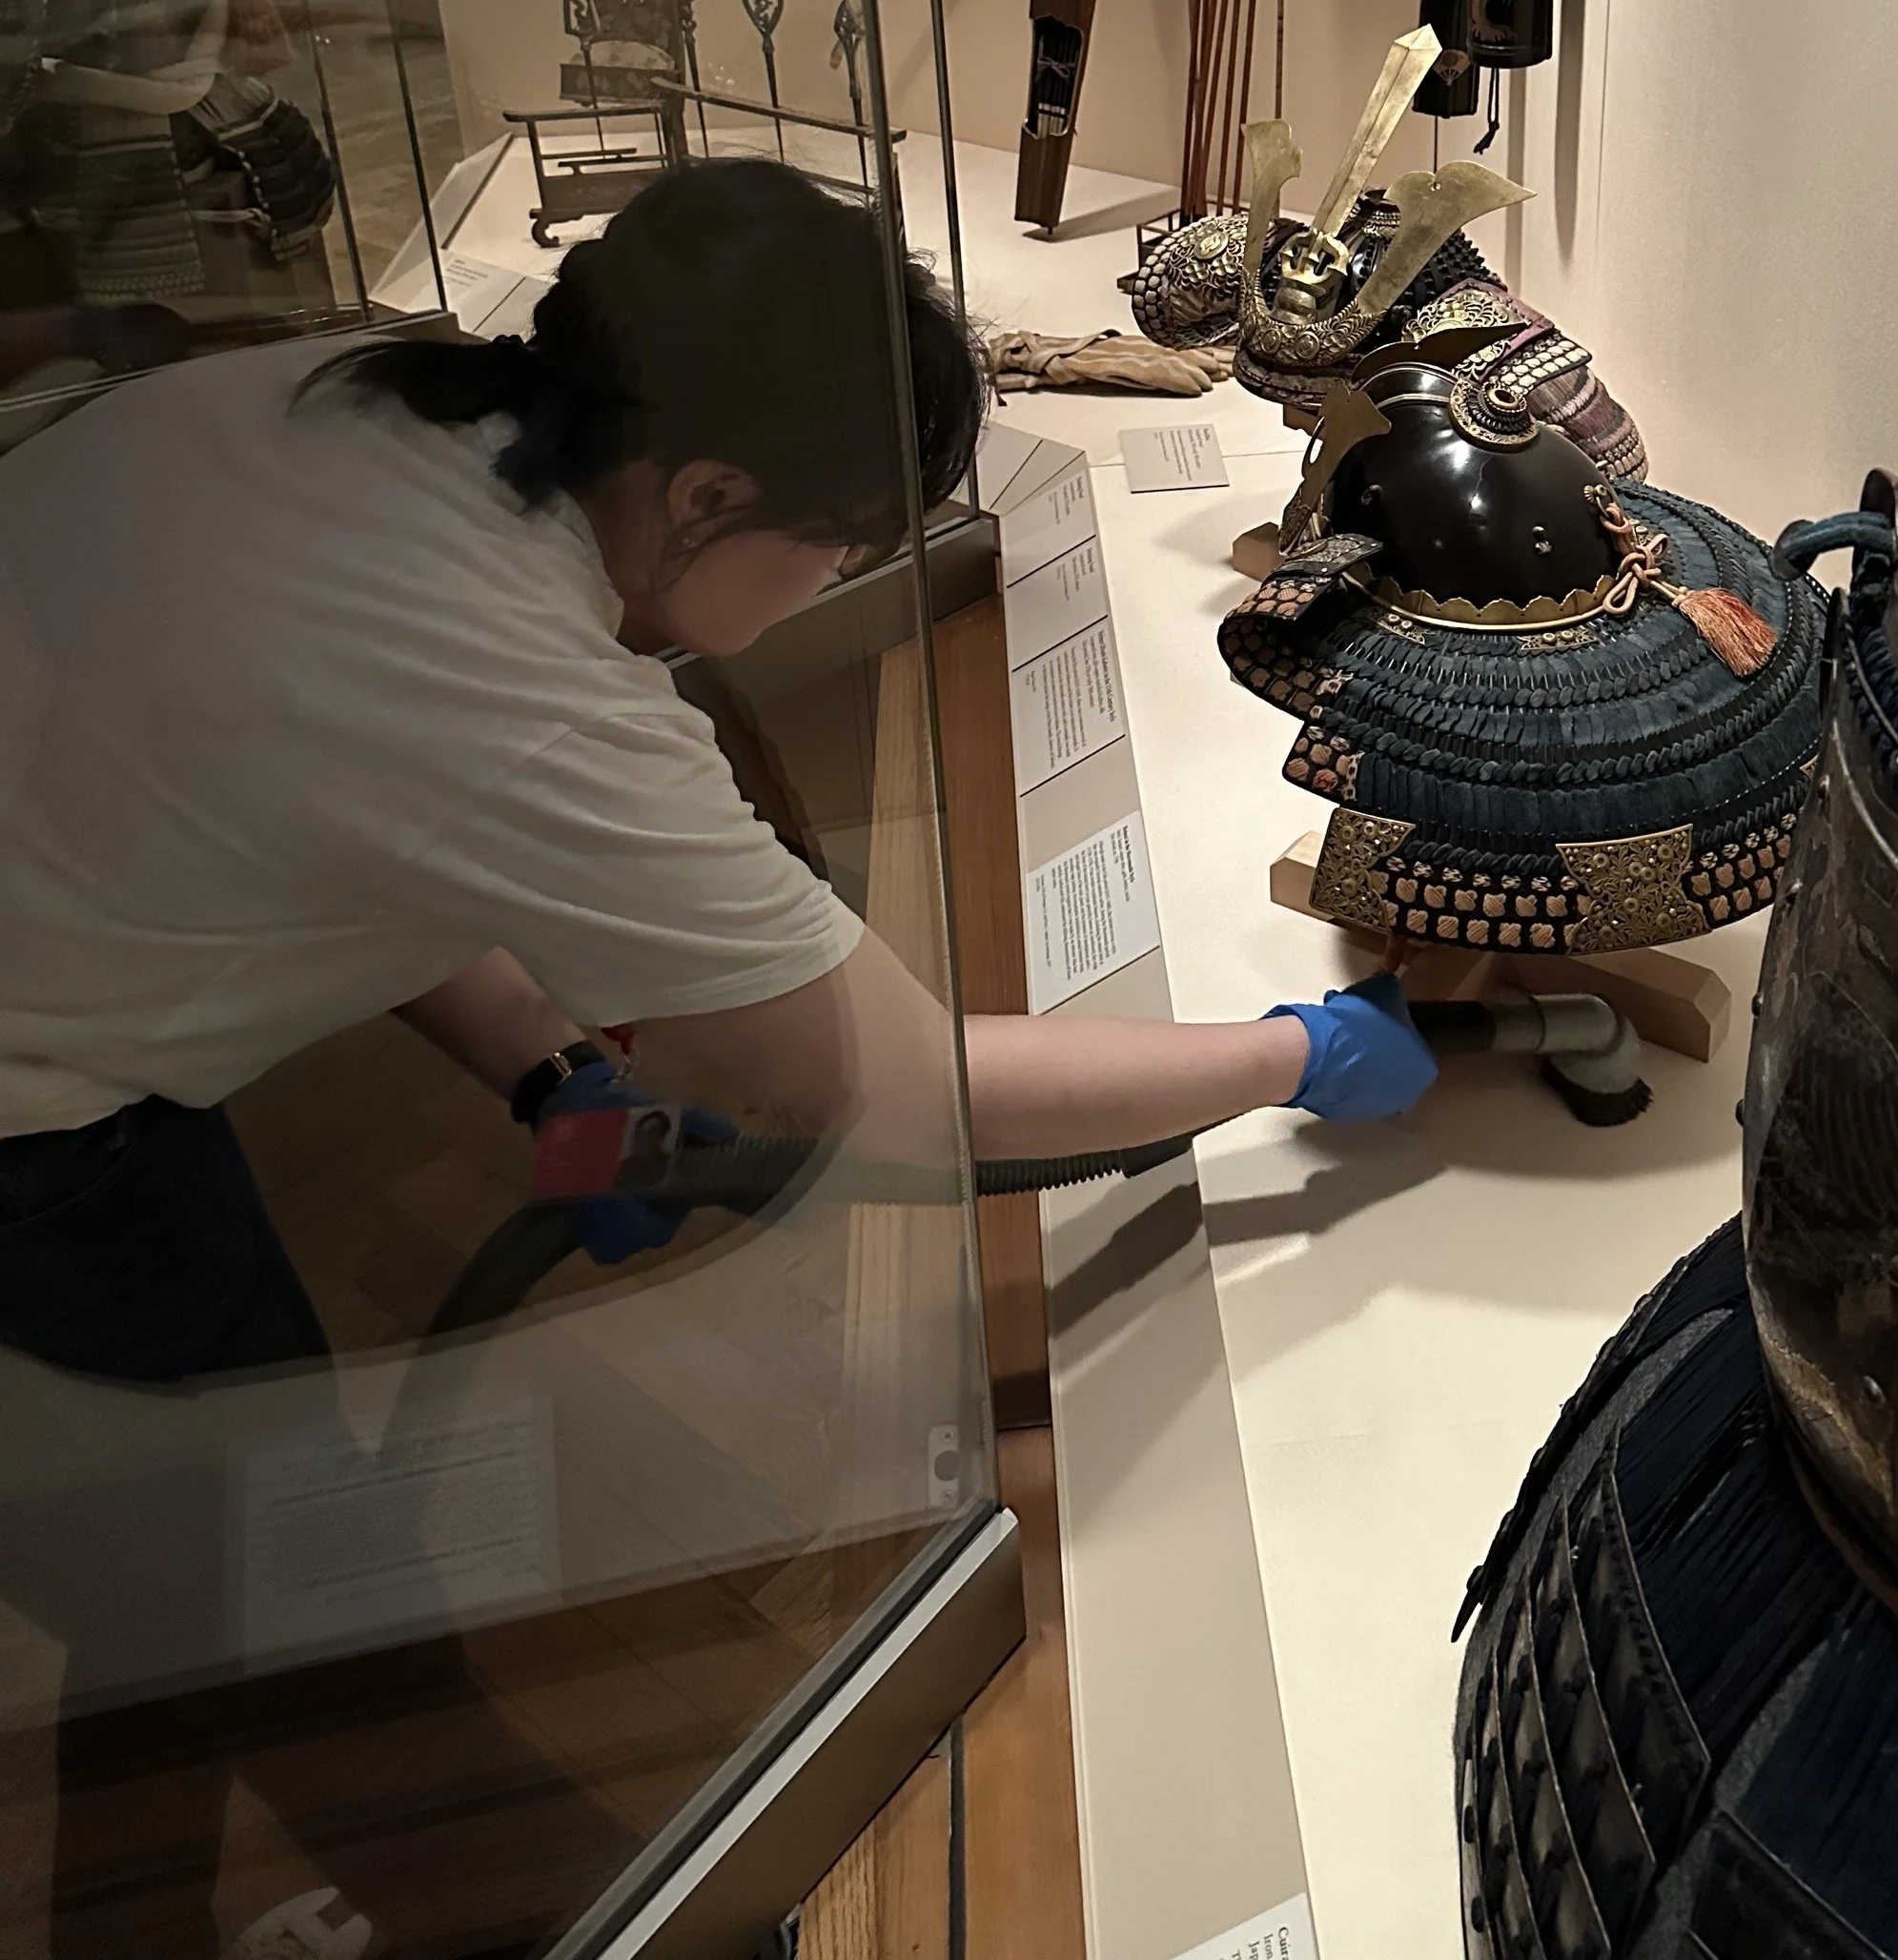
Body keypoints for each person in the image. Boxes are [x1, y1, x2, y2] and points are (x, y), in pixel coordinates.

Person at [0, 157, 1436, 1959]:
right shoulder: (516, 676)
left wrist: (547, 1073)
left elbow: (339, 804)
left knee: (171, 1588)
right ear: (703, 496)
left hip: (59, 1025)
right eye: (836, 553)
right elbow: (911, 1092)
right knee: (326, 1633)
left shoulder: (375, 402)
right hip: (30, 1132)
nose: (837, 579)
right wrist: (1291, 1052)